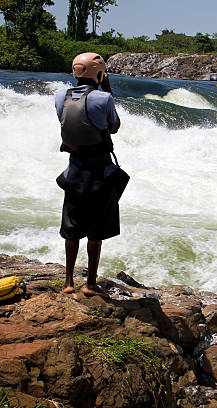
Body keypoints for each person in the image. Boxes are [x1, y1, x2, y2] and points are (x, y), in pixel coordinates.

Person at [54, 52, 122, 298]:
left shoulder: (60, 95)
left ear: (75, 72)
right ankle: (91, 283)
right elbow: (113, 126)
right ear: (99, 73)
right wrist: (107, 87)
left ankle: (68, 281)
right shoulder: (104, 98)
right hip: (99, 172)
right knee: (96, 231)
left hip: (73, 170)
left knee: (71, 229)